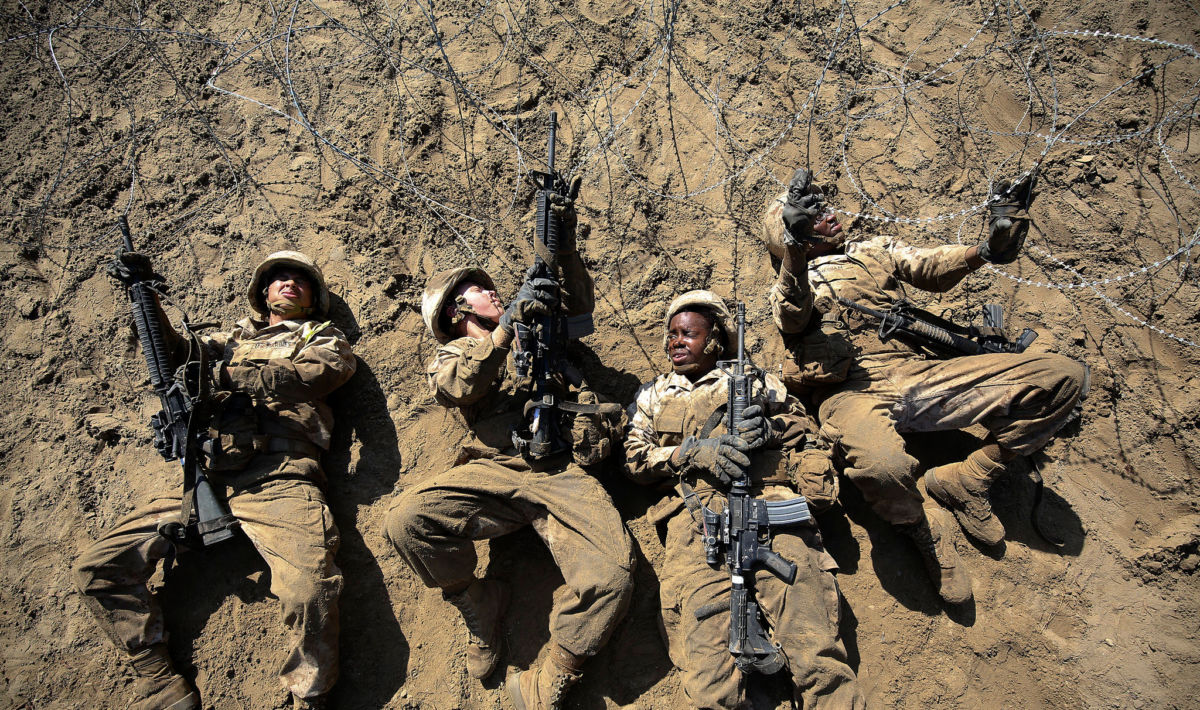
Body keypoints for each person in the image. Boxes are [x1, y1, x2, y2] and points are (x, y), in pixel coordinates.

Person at [762, 168, 1088, 603]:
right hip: (850, 391)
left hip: (917, 373)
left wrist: (987, 248)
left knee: (1064, 376)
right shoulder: (791, 279)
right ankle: (921, 527)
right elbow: (792, 316)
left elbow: (930, 266)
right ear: (791, 233)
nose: (827, 214)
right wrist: (797, 251)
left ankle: (970, 477)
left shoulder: (873, 250)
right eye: (811, 215)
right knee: (882, 467)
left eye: (824, 206)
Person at [383, 181, 634, 710]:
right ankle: (476, 601)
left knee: (611, 576)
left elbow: (579, 306)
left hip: (563, 471)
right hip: (495, 471)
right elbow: (456, 387)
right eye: (475, 290)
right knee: (406, 519)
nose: (490, 291)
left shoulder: (539, 323)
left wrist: (561, 245)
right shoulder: (455, 353)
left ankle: (546, 680)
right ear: (455, 310)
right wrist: (503, 336)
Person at [74, 249, 356, 710]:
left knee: (309, 588)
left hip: (278, 477)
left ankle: (312, 694)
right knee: (97, 568)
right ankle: (159, 680)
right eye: (278, 277)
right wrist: (143, 296)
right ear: (262, 293)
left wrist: (229, 374)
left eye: (300, 280)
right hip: (200, 475)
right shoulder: (225, 339)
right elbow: (172, 356)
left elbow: (318, 373)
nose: (289, 283)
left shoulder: (320, 336)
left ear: (314, 298)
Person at [624, 290, 864, 710]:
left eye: (689, 334)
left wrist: (769, 429)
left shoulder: (755, 380)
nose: (677, 342)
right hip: (698, 522)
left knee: (816, 652)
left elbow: (801, 425)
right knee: (709, 680)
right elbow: (633, 457)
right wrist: (691, 453)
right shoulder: (653, 396)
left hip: (771, 508)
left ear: (715, 340)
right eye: (672, 334)